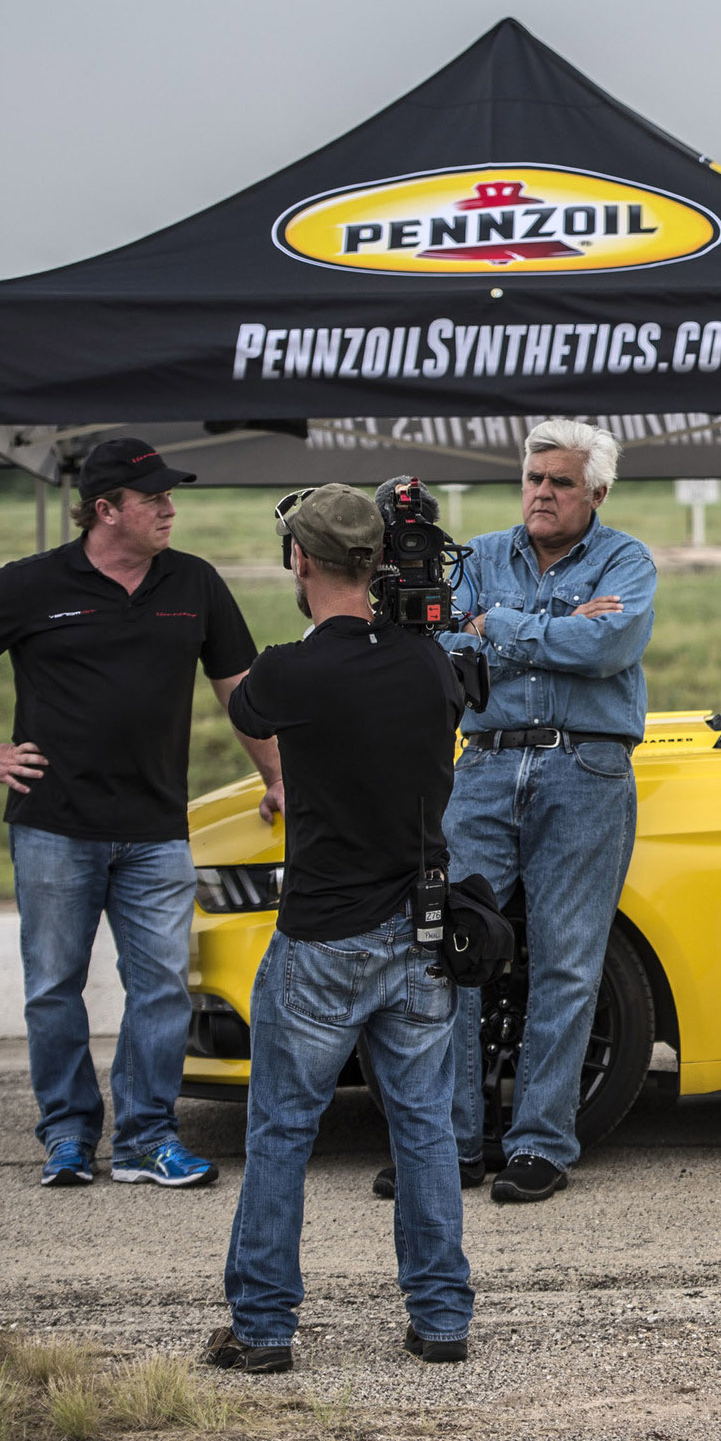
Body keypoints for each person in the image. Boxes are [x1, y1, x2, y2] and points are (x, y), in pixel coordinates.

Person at [0, 437, 278, 1191]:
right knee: (54, 986)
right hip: (54, 824)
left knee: (159, 989)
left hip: (154, 828)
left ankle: (147, 1137)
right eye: (153, 500)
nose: (170, 509)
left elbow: (238, 688)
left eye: (170, 496)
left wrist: (277, 776)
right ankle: (69, 1136)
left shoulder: (195, 583)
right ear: (106, 509)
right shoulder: (34, 582)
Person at [208, 483, 473, 1374]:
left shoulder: (291, 671)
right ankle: (440, 1319)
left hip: (322, 936)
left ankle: (264, 1329)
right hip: (420, 930)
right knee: (426, 1128)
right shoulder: (429, 663)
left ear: (302, 561)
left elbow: (246, 711)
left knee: (282, 1131)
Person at [380, 419, 655, 1205]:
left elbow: (609, 649)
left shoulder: (627, 561)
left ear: (595, 492)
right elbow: (439, 653)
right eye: (534, 479)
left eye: (560, 482)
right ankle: (453, 1143)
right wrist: (559, 629)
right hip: (489, 765)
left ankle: (540, 1143)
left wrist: (494, 625)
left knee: (568, 960)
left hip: (587, 766)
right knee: (451, 948)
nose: (541, 493)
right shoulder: (476, 556)